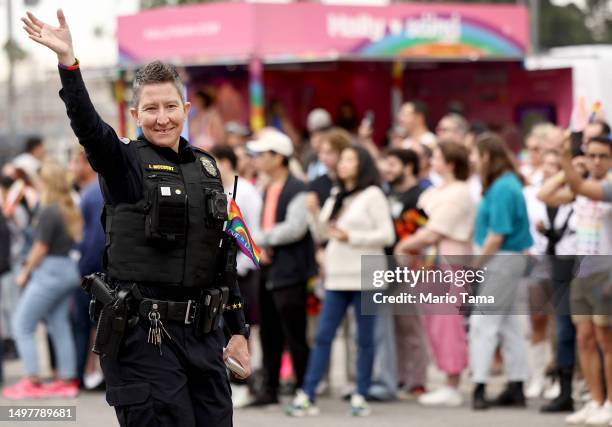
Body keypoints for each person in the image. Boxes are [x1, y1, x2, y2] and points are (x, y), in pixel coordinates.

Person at [22, 9, 251, 426]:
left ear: (185, 108)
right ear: (135, 114)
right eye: (150, 109)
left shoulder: (208, 169)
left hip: (203, 340)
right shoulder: (124, 163)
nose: (161, 118)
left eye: (169, 107)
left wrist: (238, 330)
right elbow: (90, 129)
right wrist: (69, 65)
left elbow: (224, 257)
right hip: (146, 340)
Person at [287, 145, 395, 417]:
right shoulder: (336, 193)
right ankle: (307, 394)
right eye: (343, 159)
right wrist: (313, 213)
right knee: (323, 335)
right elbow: (324, 233)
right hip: (336, 276)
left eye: (350, 159)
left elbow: (388, 235)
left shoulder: (373, 195)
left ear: (363, 164)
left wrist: (353, 238)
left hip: (365, 276)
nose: (343, 164)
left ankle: (361, 394)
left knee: (365, 338)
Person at [394, 141, 475, 407]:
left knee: (448, 322)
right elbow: (418, 220)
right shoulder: (436, 190)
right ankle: (445, 377)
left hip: (449, 261)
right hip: (428, 263)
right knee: (434, 322)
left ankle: (453, 382)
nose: (433, 161)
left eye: (438, 156)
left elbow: (435, 229)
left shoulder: (460, 192)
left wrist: (406, 243)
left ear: (451, 163)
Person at [247, 129, 317, 406]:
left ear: (279, 157)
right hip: (267, 268)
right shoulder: (265, 186)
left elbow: (295, 228)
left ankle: (304, 388)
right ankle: (270, 388)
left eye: (263, 155)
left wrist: (260, 239)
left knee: (294, 332)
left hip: (290, 270)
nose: (257, 160)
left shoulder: (298, 188)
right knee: (268, 331)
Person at [2, 160, 82, 399]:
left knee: (22, 323)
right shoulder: (67, 207)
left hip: (50, 271)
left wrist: (25, 271)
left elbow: (40, 247)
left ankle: (32, 380)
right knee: (59, 324)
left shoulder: (49, 210)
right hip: (66, 268)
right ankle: (67, 379)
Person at [469, 133, 533, 410]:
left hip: (501, 259)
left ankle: (479, 386)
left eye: (475, 154)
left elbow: (497, 233)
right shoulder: (506, 184)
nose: (472, 160)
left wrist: (476, 265)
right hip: (509, 259)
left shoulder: (502, 188)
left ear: (487, 156)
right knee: (509, 326)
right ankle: (517, 385)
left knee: (483, 325)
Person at [380, 148, 430, 400]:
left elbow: (424, 232)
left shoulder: (421, 195)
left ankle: (418, 380)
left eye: (392, 163)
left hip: (411, 267)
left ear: (408, 167)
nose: (387, 169)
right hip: (386, 265)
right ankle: (399, 377)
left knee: (411, 326)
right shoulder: (386, 192)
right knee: (395, 326)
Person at [69, 145, 106, 389]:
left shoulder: (93, 193)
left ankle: (81, 376)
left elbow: (93, 240)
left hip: (93, 272)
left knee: (84, 324)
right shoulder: (98, 190)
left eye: (74, 161)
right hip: (102, 269)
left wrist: (83, 271)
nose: (72, 167)